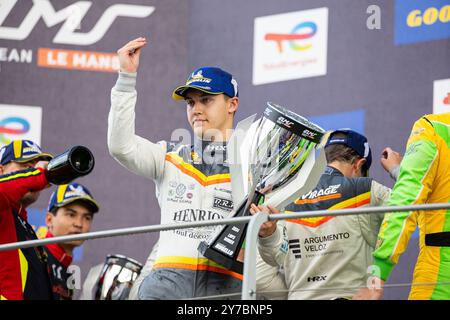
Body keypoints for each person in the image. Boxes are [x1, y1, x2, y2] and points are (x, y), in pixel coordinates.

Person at [108, 37, 241, 299]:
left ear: (232, 104)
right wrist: (126, 78)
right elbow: (121, 147)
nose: (197, 110)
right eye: (191, 103)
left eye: (206, 100)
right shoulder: (169, 156)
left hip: (224, 291)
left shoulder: (251, 164)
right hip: (165, 290)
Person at [253, 129, 401, 299]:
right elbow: (413, 206)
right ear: (358, 165)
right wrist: (397, 170)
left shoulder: (286, 198)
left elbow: (261, 278)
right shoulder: (366, 189)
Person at [355, 113, 450, 300]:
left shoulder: (433, 128)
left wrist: (377, 274)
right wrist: (400, 171)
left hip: (441, 273)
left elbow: (406, 200)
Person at [0, 139, 53, 300]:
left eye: (36, 167)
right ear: (1, 170)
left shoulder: (25, 225)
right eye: (26, 167)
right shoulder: (3, 211)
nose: (33, 171)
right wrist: (38, 175)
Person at [44, 182, 100, 300]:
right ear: (49, 220)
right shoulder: (34, 257)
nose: (79, 224)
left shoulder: (69, 273)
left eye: (87, 218)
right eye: (71, 215)